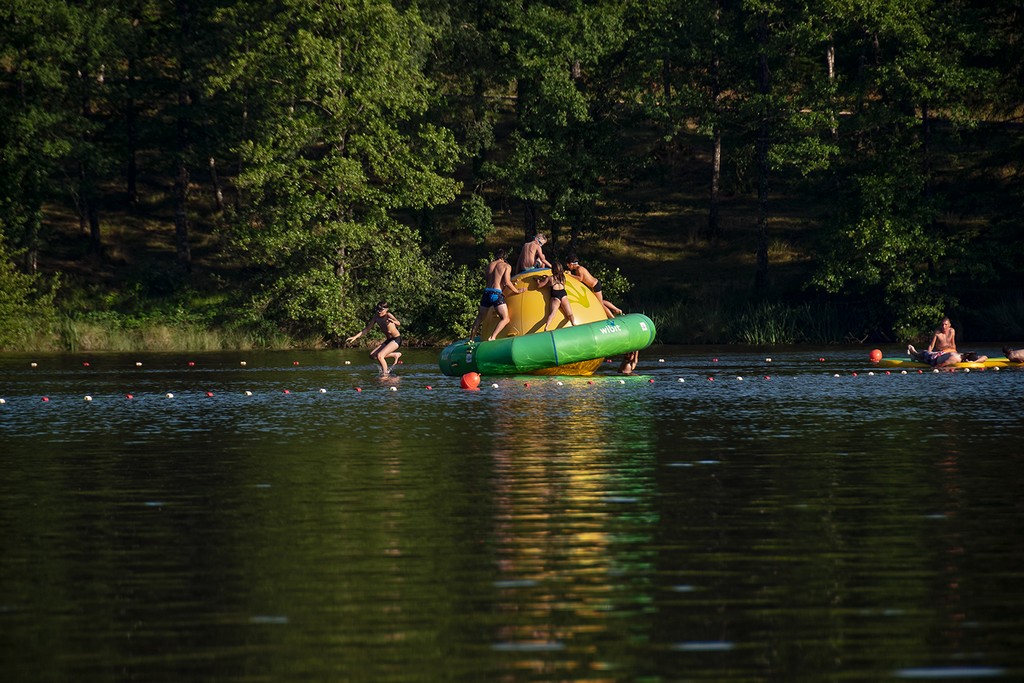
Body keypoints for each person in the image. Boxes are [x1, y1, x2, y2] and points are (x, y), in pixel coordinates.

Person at [469, 249, 525, 341]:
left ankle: (471, 339)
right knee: (505, 318)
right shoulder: (506, 266)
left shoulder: (489, 265)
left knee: (479, 318)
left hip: (486, 292)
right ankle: (492, 337)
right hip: (496, 293)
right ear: (504, 258)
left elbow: (488, 280)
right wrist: (517, 291)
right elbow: (507, 282)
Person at [346, 301, 403, 374]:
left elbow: (399, 323)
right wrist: (355, 337)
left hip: (396, 339)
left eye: (381, 310)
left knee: (380, 356)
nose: (379, 312)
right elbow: (367, 329)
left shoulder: (388, 315)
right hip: (389, 340)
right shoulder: (376, 317)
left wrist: (393, 321)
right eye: (377, 310)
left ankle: (385, 374)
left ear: (386, 309)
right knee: (373, 355)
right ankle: (395, 354)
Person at [907, 317, 987, 366]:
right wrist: (930, 353)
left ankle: (915, 355)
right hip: (940, 354)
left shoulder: (952, 331)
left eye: (945, 325)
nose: (943, 327)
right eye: (942, 325)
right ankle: (915, 353)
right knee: (926, 353)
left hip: (950, 353)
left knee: (928, 356)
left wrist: (975, 362)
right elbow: (931, 345)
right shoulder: (937, 333)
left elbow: (953, 345)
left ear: (949, 325)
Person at [566, 253, 623, 317]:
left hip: (595, 286)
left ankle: (612, 317)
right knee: (599, 301)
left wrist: (570, 275)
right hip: (595, 285)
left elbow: (580, 279)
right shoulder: (579, 268)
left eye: (568, 265)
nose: (568, 267)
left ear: (571, 264)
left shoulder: (579, 269)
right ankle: (616, 310)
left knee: (600, 304)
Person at [537, 261, 578, 331]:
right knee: (570, 314)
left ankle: (546, 327)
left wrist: (538, 281)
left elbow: (539, 286)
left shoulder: (550, 278)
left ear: (553, 270)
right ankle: (573, 323)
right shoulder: (563, 278)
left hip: (555, 295)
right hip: (563, 294)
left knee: (552, 313)